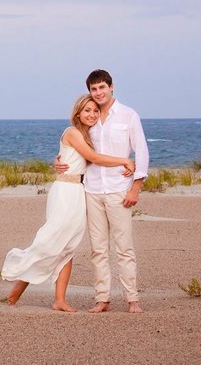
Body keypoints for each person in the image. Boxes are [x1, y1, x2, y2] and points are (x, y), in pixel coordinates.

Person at [1, 94, 135, 312]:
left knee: (68, 246)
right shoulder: (72, 132)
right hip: (64, 191)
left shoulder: (88, 134)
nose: (92, 114)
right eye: (87, 111)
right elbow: (94, 157)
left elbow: (84, 159)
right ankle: (19, 282)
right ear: (78, 114)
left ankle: (59, 300)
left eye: (95, 110)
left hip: (78, 192)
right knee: (51, 240)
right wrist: (125, 160)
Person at [59, 68, 150, 314]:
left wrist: (136, 188)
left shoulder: (128, 115)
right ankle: (103, 299)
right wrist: (58, 162)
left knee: (124, 247)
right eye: (93, 89)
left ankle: (132, 299)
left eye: (102, 87)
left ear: (111, 87)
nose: (98, 93)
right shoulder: (89, 120)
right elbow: (78, 152)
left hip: (119, 190)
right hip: (91, 190)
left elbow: (141, 151)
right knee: (98, 249)